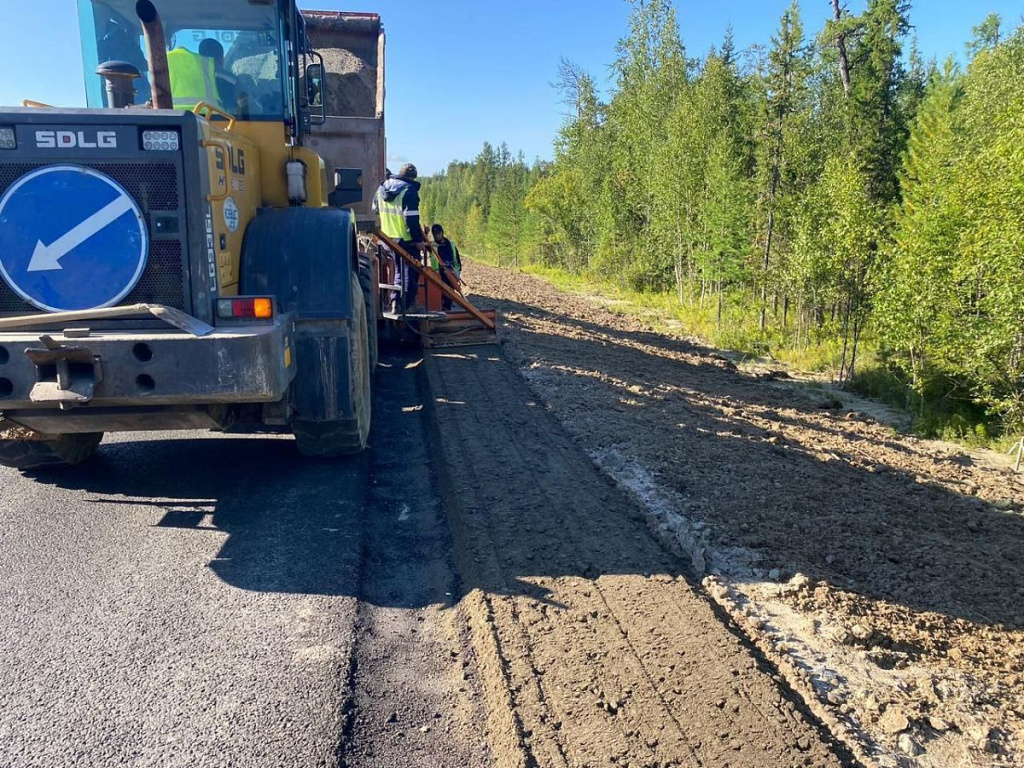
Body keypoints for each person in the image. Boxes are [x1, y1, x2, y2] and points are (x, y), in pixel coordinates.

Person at [373, 163, 426, 312]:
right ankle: (407, 306)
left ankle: (395, 301)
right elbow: (411, 219)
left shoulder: (382, 188)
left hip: (387, 239)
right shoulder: (409, 191)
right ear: (411, 177)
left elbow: (375, 209)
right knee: (411, 271)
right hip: (405, 240)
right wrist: (418, 240)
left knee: (397, 271)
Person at [167, 38, 223, 110]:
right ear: (221, 59)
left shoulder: (163, 63)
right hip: (212, 118)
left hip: (167, 118)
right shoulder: (227, 80)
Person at [430, 224, 462, 311]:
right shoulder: (431, 246)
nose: (437, 235)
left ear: (442, 233)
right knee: (440, 293)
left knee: (450, 293)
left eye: (438, 233)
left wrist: (457, 273)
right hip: (438, 275)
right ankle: (441, 309)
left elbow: (457, 261)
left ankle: (447, 309)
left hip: (451, 274)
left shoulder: (451, 245)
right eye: (435, 234)